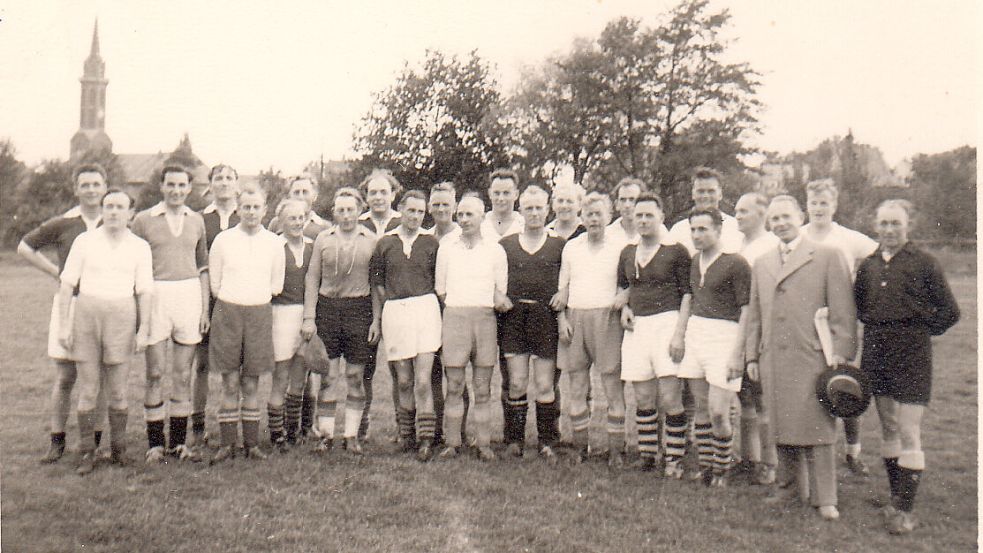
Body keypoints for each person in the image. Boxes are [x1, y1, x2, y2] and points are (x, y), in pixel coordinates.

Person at [745, 195, 857, 521]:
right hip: (773, 359)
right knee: (780, 424)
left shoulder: (827, 255)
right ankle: (790, 488)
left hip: (813, 356)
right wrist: (752, 354)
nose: (780, 223)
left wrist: (841, 355)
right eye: (774, 219)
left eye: (786, 217)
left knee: (818, 425)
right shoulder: (762, 262)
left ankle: (825, 497)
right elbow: (755, 315)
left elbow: (843, 313)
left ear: (801, 216)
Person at [854, 199, 960, 534]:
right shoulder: (868, 264)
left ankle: (904, 511)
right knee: (888, 426)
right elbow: (860, 305)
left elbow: (950, 311)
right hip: (876, 349)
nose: (889, 230)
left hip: (912, 352)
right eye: (883, 223)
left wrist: (917, 329)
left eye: (895, 223)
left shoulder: (925, 262)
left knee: (909, 428)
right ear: (875, 225)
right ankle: (895, 497)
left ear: (907, 225)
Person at [19, 163, 109, 463]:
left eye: (96, 184)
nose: (91, 190)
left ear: (104, 186)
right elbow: (24, 247)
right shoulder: (64, 222)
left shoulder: (116, 220)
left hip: (105, 305)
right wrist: (56, 272)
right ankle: (57, 441)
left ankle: (93, 441)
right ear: (76, 189)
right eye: (85, 185)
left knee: (100, 377)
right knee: (66, 376)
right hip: (71, 303)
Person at [57, 191, 152, 475]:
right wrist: (64, 324)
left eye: (119, 207)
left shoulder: (139, 247)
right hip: (87, 313)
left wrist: (144, 328)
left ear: (130, 213)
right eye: (108, 206)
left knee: (119, 390)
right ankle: (87, 451)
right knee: (88, 389)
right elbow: (66, 285)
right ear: (101, 210)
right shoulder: (85, 242)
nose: (113, 212)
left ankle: (119, 450)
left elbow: (145, 290)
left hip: (122, 314)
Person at [131, 165, 210, 463]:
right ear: (162, 186)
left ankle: (178, 443)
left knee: (182, 374)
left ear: (189, 188)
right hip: (155, 296)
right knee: (154, 373)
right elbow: (135, 269)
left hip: (188, 296)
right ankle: (155, 444)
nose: (176, 191)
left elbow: (203, 268)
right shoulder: (143, 220)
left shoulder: (196, 220)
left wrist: (203, 308)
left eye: (182, 185)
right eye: (171, 185)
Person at [803, 178, 879, 476]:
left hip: (839, 319)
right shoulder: (798, 236)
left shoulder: (848, 238)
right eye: (813, 202)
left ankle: (852, 451)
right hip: (806, 320)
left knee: (845, 383)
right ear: (806, 205)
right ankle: (813, 449)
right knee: (811, 386)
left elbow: (877, 257)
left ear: (834, 205)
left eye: (824, 203)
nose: (819, 208)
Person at [615, 193, 692, 475]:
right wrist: (624, 310)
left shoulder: (676, 251)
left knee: (671, 397)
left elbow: (687, 295)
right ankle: (648, 454)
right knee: (643, 396)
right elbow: (623, 289)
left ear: (661, 217)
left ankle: (674, 458)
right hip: (638, 329)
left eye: (649, 215)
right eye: (639, 215)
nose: (644, 220)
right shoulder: (627, 251)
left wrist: (679, 334)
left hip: (667, 324)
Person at [208, 187, 285, 464]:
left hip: (259, 313)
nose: (251, 212)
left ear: (265, 209)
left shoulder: (274, 243)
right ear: (238, 209)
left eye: (256, 207)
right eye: (246, 207)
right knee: (229, 381)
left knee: (251, 382)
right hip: (228, 312)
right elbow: (215, 284)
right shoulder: (223, 240)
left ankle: (251, 444)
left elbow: (277, 283)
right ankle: (227, 444)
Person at [677, 208, 752, 487]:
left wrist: (738, 353)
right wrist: (682, 336)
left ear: (719, 230)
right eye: (693, 229)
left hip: (725, 336)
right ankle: (706, 466)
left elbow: (747, 311)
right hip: (697, 333)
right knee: (702, 409)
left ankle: (722, 468)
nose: (697, 235)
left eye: (703, 229)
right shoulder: (694, 261)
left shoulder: (737, 264)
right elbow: (691, 300)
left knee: (720, 410)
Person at [301, 189, 378, 455]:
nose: (346, 215)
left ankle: (351, 435)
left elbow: (376, 284)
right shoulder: (323, 238)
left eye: (351, 210)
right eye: (340, 210)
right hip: (328, 309)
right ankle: (326, 435)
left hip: (359, 309)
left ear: (359, 210)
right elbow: (312, 279)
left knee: (355, 376)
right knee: (328, 376)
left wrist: (376, 320)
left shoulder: (371, 239)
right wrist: (309, 317)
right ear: (334, 211)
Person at [555, 192, 628, 466]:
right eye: (589, 214)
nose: (594, 219)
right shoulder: (571, 247)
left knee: (611, 384)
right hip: (576, 317)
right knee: (577, 385)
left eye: (599, 214)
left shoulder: (621, 246)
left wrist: (626, 298)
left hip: (607, 318)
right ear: (581, 217)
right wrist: (562, 319)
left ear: (609, 216)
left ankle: (616, 451)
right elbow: (563, 288)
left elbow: (629, 283)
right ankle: (579, 447)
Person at [369, 190, 442, 460]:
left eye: (420, 212)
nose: (415, 216)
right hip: (396, 311)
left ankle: (425, 439)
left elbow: (438, 281)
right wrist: (384, 314)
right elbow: (377, 283)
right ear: (400, 209)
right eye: (410, 210)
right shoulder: (385, 243)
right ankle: (407, 436)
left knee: (423, 381)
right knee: (404, 380)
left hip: (425, 309)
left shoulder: (431, 243)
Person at [435, 196, 509, 461]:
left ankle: (484, 443)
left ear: (482, 216)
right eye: (461, 215)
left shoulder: (495, 250)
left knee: (482, 387)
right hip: (455, 317)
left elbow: (501, 290)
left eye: (470, 215)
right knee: (454, 385)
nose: (464, 220)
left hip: (485, 319)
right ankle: (453, 442)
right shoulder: (447, 247)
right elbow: (441, 289)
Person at [498, 186, 565, 464]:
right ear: (521, 211)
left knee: (544, 383)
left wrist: (565, 296)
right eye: (529, 208)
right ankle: (515, 440)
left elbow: (570, 281)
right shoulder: (506, 245)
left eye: (539, 208)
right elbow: (493, 279)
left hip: (545, 318)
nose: (534, 213)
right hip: (514, 317)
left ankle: (547, 441)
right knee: (516, 382)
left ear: (547, 209)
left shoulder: (560, 244)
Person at [191, 163, 240, 447]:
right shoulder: (200, 218)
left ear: (236, 183)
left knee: (237, 368)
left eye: (229, 177)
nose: (223, 182)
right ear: (210, 184)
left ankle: (232, 425)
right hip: (207, 300)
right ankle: (198, 427)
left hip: (239, 300)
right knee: (203, 364)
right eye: (218, 178)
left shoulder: (246, 214)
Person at [733, 192, 780, 485]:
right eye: (736, 211)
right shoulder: (737, 244)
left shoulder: (771, 246)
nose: (738, 216)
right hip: (740, 328)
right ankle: (748, 459)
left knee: (763, 400)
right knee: (745, 397)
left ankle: (770, 463)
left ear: (762, 215)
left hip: (763, 330)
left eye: (744, 211)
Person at [357, 169, 402, 441]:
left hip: (398, 304)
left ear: (393, 194)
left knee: (400, 369)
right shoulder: (358, 223)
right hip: (365, 305)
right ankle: (361, 425)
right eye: (372, 192)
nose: (378, 197)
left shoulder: (403, 221)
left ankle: (402, 426)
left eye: (383, 191)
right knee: (365, 369)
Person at [265, 199, 314, 452]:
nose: (296, 222)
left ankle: (293, 431)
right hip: (280, 315)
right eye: (291, 218)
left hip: (305, 317)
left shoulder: (312, 247)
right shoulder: (273, 246)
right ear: (280, 221)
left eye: (300, 217)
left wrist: (310, 317)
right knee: (280, 376)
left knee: (299, 377)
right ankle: (276, 434)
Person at [425, 181, 469, 446]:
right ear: (430, 207)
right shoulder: (425, 237)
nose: (441, 209)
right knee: (431, 375)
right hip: (429, 314)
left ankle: (458, 431)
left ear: (454, 206)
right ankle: (435, 429)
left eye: (446, 204)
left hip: (458, 313)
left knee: (457, 375)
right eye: (437, 204)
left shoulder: (463, 235)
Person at [667, 167, 743, 255]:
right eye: (701, 191)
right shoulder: (679, 229)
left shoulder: (735, 226)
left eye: (711, 191)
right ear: (693, 194)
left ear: (720, 194)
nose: (706, 196)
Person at [607, 177, 669, 246]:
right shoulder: (607, 234)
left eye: (632, 199)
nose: (627, 205)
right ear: (617, 205)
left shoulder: (659, 230)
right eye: (623, 200)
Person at [481, 168, 525, 240]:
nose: (501, 198)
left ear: (516, 194)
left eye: (506, 193)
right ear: (489, 193)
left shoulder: (524, 225)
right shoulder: (480, 224)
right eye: (497, 193)